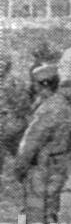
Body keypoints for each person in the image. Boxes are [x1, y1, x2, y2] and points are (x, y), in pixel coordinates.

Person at [12, 64, 71, 224]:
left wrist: (19, 169)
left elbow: (29, 144)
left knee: (36, 214)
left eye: (35, 84)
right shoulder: (64, 106)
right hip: (59, 164)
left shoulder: (47, 110)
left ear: (43, 86)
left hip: (41, 167)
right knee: (50, 209)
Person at [0, 55, 33, 190]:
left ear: (8, 67)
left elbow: (24, 104)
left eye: (2, 65)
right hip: (8, 126)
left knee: (21, 154)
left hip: (12, 125)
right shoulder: (15, 82)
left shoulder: (14, 83)